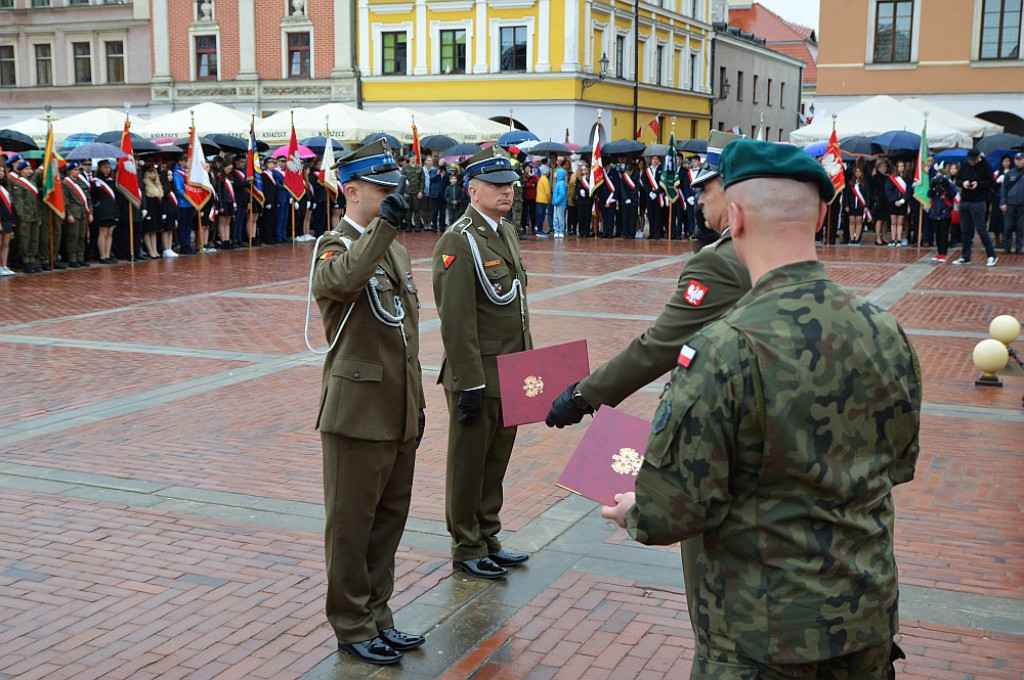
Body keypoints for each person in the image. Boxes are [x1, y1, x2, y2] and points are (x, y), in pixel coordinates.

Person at [601, 138, 921, 679]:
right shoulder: (884, 329)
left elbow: (670, 512)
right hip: (865, 621)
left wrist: (632, 509)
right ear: (822, 215)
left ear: (737, 215)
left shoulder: (723, 348)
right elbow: (898, 463)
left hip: (763, 639)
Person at [546, 131, 749, 629]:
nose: (698, 198)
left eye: (708, 189)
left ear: (735, 193)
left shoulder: (721, 262)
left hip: (721, 439)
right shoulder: (764, 256)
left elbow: (660, 345)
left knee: (717, 600)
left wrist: (582, 395)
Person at [310, 139, 425, 666]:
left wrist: (417, 404)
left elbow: (407, 334)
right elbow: (344, 280)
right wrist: (382, 230)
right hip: (357, 414)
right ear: (351, 190)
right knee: (351, 527)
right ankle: (351, 623)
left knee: (387, 523)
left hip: (398, 409)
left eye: (392, 189)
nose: (390, 197)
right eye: (381, 189)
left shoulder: (393, 248)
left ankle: (379, 616)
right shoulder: (332, 247)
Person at [431, 146, 532, 581]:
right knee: (469, 464)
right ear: (473, 190)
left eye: (509, 184)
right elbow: (456, 319)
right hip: (478, 374)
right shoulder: (459, 238)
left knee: (496, 461)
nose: (506, 191)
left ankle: (488, 535)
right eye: (496, 185)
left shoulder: (504, 231)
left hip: (510, 370)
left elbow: (518, 307)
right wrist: (469, 380)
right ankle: (466, 544)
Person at [953, 148, 998, 266]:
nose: (971, 162)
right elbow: (957, 179)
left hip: (978, 201)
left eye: (973, 160)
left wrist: (978, 184)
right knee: (965, 230)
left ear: (978, 158)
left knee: (981, 229)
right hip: (965, 201)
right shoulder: (965, 165)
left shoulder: (985, 165)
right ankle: (965, 257)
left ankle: (992, 255)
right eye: (970, 160)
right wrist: (963, 183)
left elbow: (991, 182)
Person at [10, 160, 43, 273]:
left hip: (34, 216)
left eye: (30, 169)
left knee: (34, 240)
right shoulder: (18, 184)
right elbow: (19, 203)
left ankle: (32, 261)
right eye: (26, 169)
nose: (29, 171)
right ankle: (26, 262)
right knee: (25, 240)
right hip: (25, 217)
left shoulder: (32, 183)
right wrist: (21, 218)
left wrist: (39, 216)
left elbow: (37, 202)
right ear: (20, 171)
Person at [62, 160, 93, 268]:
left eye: (78, 170)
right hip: (74, 213)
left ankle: (80, 257)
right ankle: (72, 258)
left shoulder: (81, 182)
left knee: (81, 236)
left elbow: (88, 199)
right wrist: (69, 214)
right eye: (74, 170)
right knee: (73, 236)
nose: (77, 172)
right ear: (69, 171)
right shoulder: (66, 183)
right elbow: (65, 201)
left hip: (83, 213)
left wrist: (90, 213)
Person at [89, 159, 119, 264]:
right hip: (102, 210)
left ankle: (107, 254)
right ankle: (102, 256)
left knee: (110, 233)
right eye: (104, 167)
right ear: (100, 168)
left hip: (112, 209)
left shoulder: (111, 181)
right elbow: (93, 196)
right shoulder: (96, 181)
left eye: (108, 167)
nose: (107, 169)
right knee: (103, 232)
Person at [927, 164, 958, 263]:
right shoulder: (935, 187)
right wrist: (933, 185)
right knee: (938, 234)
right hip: (935, 212)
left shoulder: (948, 185)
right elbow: (929, 194)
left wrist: (946, 184)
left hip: (945, 212)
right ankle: (939, 253)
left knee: (944, 234)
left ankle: (944, 253)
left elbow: (953, 193)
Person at [999, 151, 1024, 255]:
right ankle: (1007, 247)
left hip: (1022, 204)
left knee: (1021, 227)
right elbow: (1004, 189)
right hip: (1010, 204)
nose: (1018, 161)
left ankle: (1019, 248)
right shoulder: (1010, 173)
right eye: (1016, 159)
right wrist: (1003, 203)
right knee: (1008, 227)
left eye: (1020, 159)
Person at [843, 164, 871, 246]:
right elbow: (847, 195)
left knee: (859, 222)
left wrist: (866, 206)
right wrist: (846, 205)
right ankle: (851, 238)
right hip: (851, 205)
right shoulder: (850, 183)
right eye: (856, 172)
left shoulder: (865, 183)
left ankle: (857, 239)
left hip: (860, 206)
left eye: (859, 172)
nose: (858, 173)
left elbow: (868, 195)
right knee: (851, 222)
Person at [0, 163, 15, 276]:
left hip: (7, 218)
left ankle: (4, 266)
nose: (1, 173)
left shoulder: (6, 186)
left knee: (6, 243)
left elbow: (11, 203)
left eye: (3, 171)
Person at [551, 166, 567, 238]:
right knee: (556, 218)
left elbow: (562, 194)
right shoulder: (559, 183)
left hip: (560, 203)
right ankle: (556, 231)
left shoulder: (560, 183)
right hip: (557, 203)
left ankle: (560, 231)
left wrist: (556, 201)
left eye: (555, 172)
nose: (554, 173)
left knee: (560, 218)